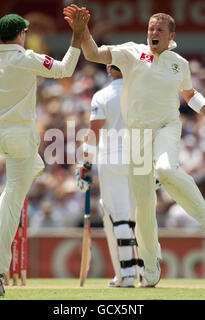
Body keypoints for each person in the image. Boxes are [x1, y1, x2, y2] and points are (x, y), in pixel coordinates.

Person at [65, 5, 205, 287]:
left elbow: (189, 93)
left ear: (171, 35)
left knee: (165, 170)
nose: (153, 32)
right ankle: (151, 265)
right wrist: (83, 32)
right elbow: (93, 53)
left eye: (159, 30)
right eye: (151, 28)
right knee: (143, 205)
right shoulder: (132, 52)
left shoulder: (180, 63)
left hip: (166, 126)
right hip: (136, 135)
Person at [0, 11, 90, 297]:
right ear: (20, 35)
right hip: (21, 135)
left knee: (36, 166)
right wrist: (77, 35)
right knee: (16, 199)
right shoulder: (26, 57)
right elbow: (65, 69)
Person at [77, 65, 145, 288]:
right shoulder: (139, 92)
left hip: (112, 160)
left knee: (120, 218)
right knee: (138, 218)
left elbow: (94, 132)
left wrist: (86, 162)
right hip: (139, 159)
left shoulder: (102, 95)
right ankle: (143, 274)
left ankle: (126, 276)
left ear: (108, 69)